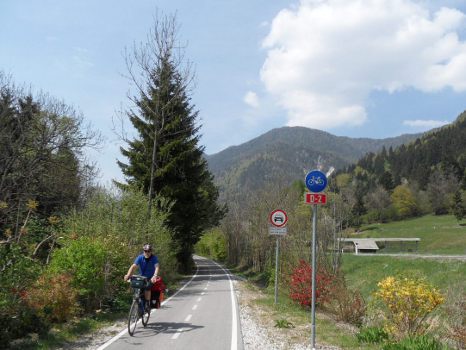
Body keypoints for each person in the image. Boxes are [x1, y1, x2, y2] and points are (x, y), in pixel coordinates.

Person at [124, 243, 159, 311]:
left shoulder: (154, 258)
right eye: (145, 251)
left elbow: (157, 267)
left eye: (149, 251)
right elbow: (133, 266)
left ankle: (147, 303)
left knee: (147, 287)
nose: (147, 253)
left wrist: (154, 276)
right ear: (143, 251)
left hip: (150, 278)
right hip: (142, 277)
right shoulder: (140, 257)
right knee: (135, 286)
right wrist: (128, 275)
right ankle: (137, 304)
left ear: (151, 251)